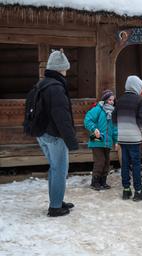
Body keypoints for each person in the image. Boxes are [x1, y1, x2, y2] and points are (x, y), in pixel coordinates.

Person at [36, 49, 78, 217]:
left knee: (54, 168)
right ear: (60, 68)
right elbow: (62, 117)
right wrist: (71, 141)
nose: (67, 71)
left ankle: (57, 200)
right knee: (60, 170)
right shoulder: (56, 88)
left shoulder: (42, 84)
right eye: (65, 68)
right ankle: (55, 207)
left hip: (43, 134)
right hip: (54, 135)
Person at [112, 75, 142, 201]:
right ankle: (138, 191)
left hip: (122, 137)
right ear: (137, 87)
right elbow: (141, 119)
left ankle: (126, 190)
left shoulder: (120, 100)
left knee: (125, 164)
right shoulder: (139, 100)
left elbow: (113, 118)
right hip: (134, 137)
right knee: (136, 164)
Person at [84, 90, 118, 190]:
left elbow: (115, 128)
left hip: (107, 141)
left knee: (107, 162)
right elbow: (87, 119)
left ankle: (103, 181)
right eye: (109, 100)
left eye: (113, 100)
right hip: (97, 139)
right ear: (105, 100)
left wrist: (116, 141)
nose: (111, 102)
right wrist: (94, 129)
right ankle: (95, 182)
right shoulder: (98, 109)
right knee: (100, 161)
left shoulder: (113, 112)